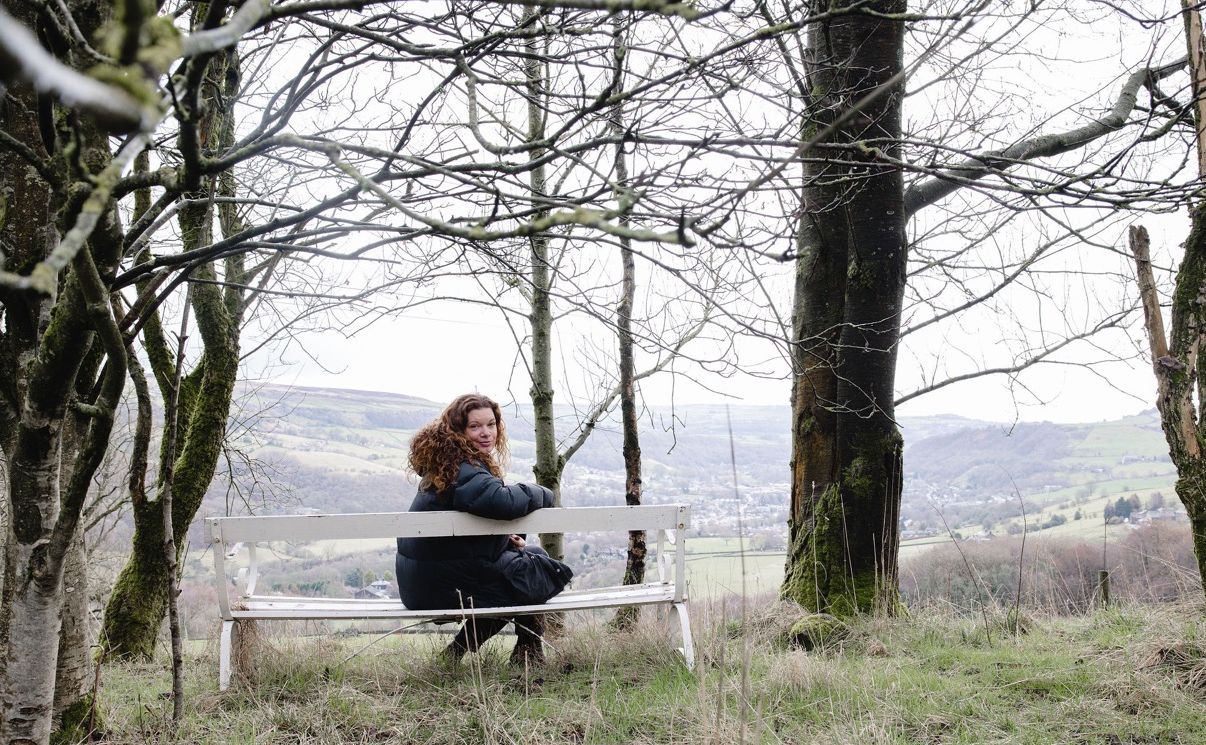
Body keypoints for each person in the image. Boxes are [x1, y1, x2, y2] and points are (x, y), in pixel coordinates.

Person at [395, 393, 556, 665]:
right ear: (458, 430)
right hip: (438, 587)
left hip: (425, 581)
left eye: (491, 424)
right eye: (475, 426)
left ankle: (517, 650)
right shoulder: (462, 467)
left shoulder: (446, 464)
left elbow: (459, 539)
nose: (486, 433)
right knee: (529, 571)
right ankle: (525, 651)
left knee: (530, 558)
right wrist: (543, 493)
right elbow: (501, 501)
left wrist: (504, 541)